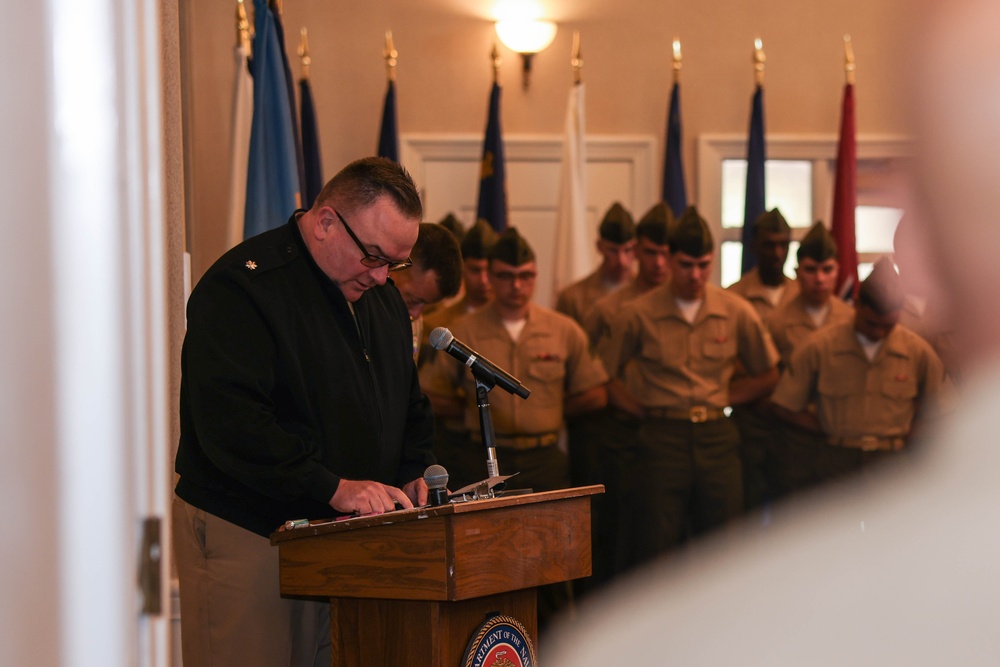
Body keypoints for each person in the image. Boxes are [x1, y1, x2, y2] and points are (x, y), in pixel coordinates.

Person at [547, 2, 1000, 661]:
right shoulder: (641, 313)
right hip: (686, 447)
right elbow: (605, 379)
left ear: (917, 256)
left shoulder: (658, 644)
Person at [172, 157, 436, 667]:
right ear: (326, 222)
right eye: (373, 256)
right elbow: (232, 424)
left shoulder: (377, 299)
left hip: (346, 544)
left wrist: (413, 472)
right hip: (253, 535)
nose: (383, 277)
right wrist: (332, 487)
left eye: (395, 263)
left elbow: (410, 404)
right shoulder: (243, 288)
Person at [419, 227, 609, 630]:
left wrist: (549, 411)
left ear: (536, 276)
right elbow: (432, 394)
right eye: (505, 275)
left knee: (555, 566)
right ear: (490, 275)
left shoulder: (563, 329)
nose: (516, 286)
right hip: (483, 460)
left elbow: (594, 392)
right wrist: (473, 412)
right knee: (486, 567)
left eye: (526, 276)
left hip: (544, 460)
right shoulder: (465, 332)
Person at [602, 206, 779, 561]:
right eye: (686, 265)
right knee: (657, 544)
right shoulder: (638, 312)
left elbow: (768, 372)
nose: (696, 275)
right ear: (669, 260)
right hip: (661, 436)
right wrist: (639, 407)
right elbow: (604, 374)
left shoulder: (735, 310)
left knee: (722, 545)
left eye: (704, 265)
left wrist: (726, 396)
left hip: (717, 435)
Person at [770, 257, 947, 480]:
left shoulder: (918, 353)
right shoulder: (819, 347)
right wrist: (825, 427)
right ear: (857, 304)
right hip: (836, 459)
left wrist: (909, 436)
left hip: (892, 462)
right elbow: (784, 405)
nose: (879, 333)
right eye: (871, 324)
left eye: (888, 327)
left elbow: (940, 411)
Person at [576, 202, 673, 583]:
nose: (660, 263)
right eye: (650, 252)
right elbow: (591, 375)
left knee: (663, 538)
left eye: (668, 254)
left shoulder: (681, 305)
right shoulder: (607, 308)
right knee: (615, 533)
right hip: (616, 432)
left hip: (667, 435)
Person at [763, 221, 854, 497]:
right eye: (811, 270)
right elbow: (767, 384)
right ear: (797, 272)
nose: (820, 279)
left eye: (828, 270)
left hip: (842, 438)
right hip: (794, 439)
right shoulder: (776, 322)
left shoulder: (851, 320)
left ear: (838, 270)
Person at [555, 201, 636, 325]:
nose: (621, 260)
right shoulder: (573, 298)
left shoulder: (649, 292)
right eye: (613, 250)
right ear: (599, 247)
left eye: (628, 250)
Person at [393, 222, 462, 361]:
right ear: (395, 268)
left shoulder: (413, 323)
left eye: (426, 305)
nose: (417, 314)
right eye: (412, 300)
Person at [727, 208, 799, 319]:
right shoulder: (734, 296)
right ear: (754, 246)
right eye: (769, 246)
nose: (777, 254)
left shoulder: (801, 294)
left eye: (783, 245)